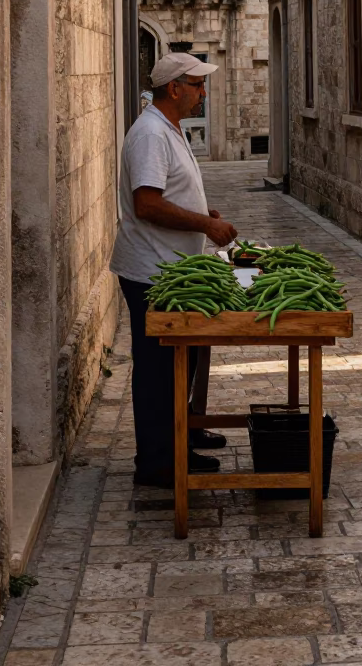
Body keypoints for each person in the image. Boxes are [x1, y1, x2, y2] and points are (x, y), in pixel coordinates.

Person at [110, 52, 238, 487]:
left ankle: (183, 432)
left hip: (174, 267)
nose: (203, 92)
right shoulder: (150, 134)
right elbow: (147, 204)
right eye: (197, 85)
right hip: (152, 270)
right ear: (174, 88)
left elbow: (169, 193)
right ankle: (158, 461)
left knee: (185, 355)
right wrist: (206, 224)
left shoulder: (169, 129)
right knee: (157, 366)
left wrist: (203, 211)